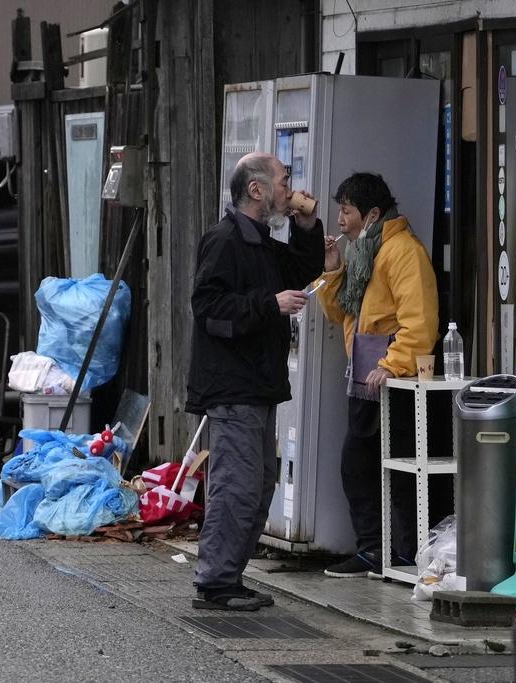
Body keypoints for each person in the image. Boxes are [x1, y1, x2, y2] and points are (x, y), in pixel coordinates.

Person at [186, 152, 324, 610]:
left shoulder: (260, 241)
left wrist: (307, 225)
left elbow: (300, 270)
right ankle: (215, 583)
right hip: (232, 386)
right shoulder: (225, 240)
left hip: (257, 383)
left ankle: (229, 577)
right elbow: (207, 308)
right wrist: (269, 305)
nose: (291, 190)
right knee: (237, 486)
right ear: (257, 190)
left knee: (261, 484)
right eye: (284, 182)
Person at [315, 172, 440, 578]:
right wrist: (333, 271)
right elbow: (342, 314)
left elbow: (420, 322)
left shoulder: (403, 251)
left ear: (371, 213)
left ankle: (397, 551)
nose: (339, 220)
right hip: (367, 377)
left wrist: (392, 364)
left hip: (393, 380)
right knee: (362, 464)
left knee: (389, 469)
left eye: (346, 210)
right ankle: (376, 548)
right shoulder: (364, 251)